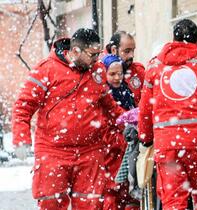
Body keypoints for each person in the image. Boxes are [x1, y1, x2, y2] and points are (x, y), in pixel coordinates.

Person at [12, 28, 124, 210]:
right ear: (76, 51)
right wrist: (21, 138)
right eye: (92, 54)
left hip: (90, 150)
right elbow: (23, 106)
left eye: (98, 54)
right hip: (52, 150)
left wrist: (127, 122)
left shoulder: (97, 72)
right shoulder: (46, 70)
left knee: (92, 203)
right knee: (51, 203)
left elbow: (109, 106)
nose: (97, 59)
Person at [138, 19, 197, 210]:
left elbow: (145, 109)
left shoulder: (155, 68)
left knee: (173, 200)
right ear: (196, 40)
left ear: (173, 38)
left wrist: (145, 138)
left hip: (168, 145)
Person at [101, 54, 140, 210]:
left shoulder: (127, 92)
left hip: (127, 153)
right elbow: (104, 130)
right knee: (112, 193)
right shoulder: (103, 96)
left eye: (120, 73)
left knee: (129, 195)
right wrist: (125, 140)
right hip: (111, 155)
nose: (117, 77)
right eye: (112, 74)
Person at [105, 31, 145, 105]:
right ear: (114, 50)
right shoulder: (100, 71)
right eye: (127, 51)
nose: (132, 55)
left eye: (133, 50)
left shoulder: (139, 71)